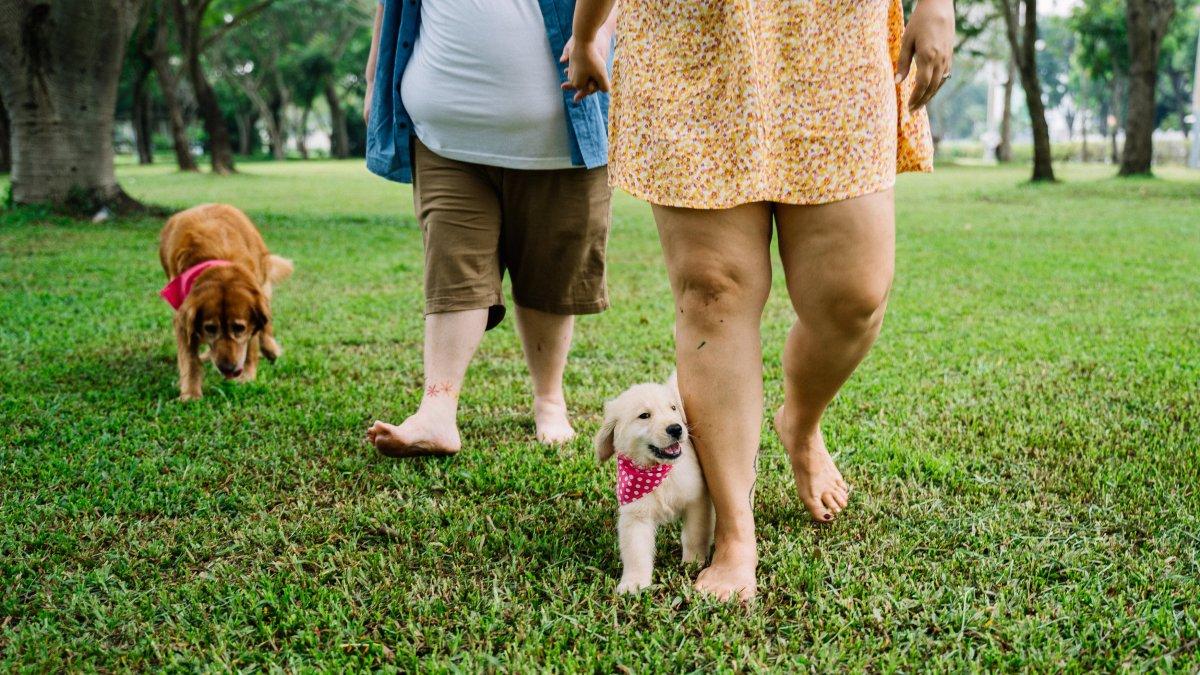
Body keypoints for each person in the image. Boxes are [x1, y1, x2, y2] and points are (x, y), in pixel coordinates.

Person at [567, 0, 954, 600]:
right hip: (693, 36)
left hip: (830, 34)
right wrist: (588, 30)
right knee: (711, 292)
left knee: (853, 297)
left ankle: (800, 421)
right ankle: (735, 533)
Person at [362, 0, 619, 456]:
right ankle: (437, 409)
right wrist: (372, 82)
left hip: (564, 135)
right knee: (453, 263)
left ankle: (549, 399)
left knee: (551, 275)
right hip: (445, 138)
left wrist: (594, 38)